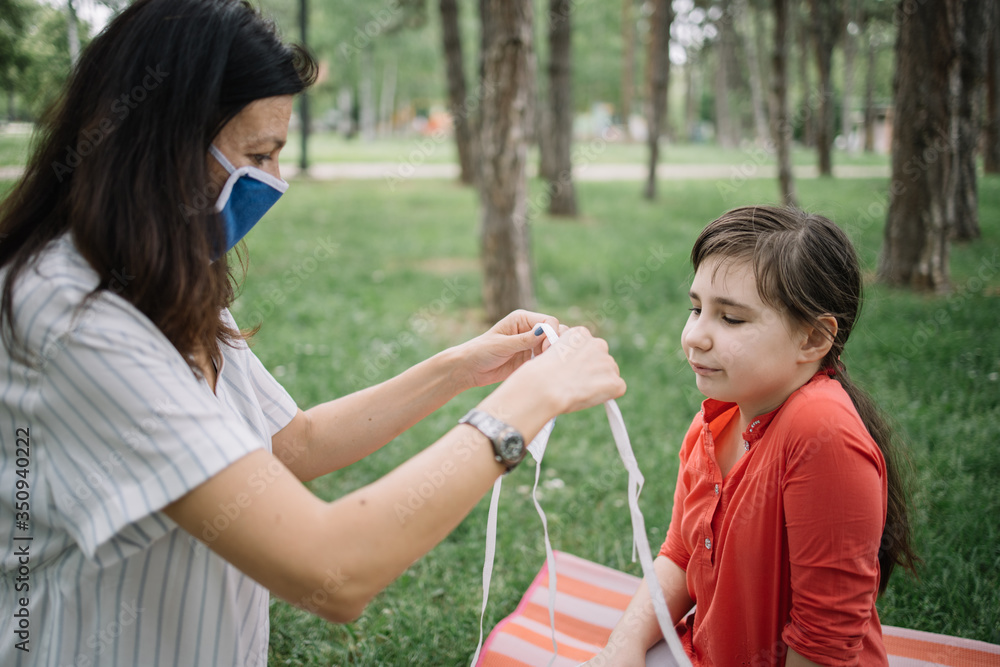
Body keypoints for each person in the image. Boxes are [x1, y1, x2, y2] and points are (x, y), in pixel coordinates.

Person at [0, 1, 626, 665]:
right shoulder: (71, 319)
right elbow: (332, 570)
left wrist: (462, 368)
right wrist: (528, 403)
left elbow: (288, 443)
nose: (275, 181)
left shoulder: (163, 273)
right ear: (161, 148)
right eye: (257, 154)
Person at [588, 207, 917, 666]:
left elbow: (822, 645)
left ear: (813, 340)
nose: (696, 336)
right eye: (696, 308)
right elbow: (681, 556)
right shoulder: (715, 420)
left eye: (732, 319)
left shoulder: (822, 431)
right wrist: (619, 649)